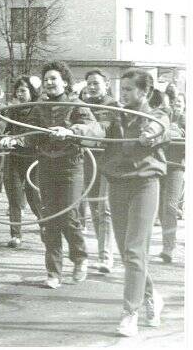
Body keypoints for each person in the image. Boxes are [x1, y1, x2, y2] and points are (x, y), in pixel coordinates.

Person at [5, 61, 104, 289]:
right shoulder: (39, 107)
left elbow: (95, 131)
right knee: (49, 220)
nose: (49, 83)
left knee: (68, 217)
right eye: (46, 79)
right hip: (46, 166)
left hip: (70, 167)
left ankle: (79, 258)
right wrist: (15, 140)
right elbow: (30, 134)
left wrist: (71, 131)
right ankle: (54, 271)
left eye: (54, 79)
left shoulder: (76, 105)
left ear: (65, 82)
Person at [101, 70, 168, 336]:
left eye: (129, 89)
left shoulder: (157, 116)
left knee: (134, 250)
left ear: (145, 92)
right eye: (122, 88)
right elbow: (94, 128)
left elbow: (160, 129)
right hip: (118, 185)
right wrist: (69, 132)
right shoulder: (116, 115)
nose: (123, 94)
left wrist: (150, 134)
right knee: (128, 252)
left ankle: (130, 312)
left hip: (144, 185)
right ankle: (152, 296)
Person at [0, 76, 43, 248]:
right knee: (13, 196)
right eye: (18, 91)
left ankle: (44, 225)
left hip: (32, 158)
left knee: (33, 196)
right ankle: (16, 235)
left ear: (32, 92)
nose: (20, 94)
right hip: (14, 157)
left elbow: (34, 133)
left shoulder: (39, 110)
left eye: (24, 91)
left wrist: (17, 140)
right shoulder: (12, 110)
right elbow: (2, 126)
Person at [80, 69, 118, 273]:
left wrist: (83, 131)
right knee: (94, 208)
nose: (92, 87)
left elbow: (104, 127)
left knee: (104, 209)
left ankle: (106, 257)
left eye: (96, 83)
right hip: (88, 160)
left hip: (107, 162)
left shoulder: (113, 106)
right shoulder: (83, 105)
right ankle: (102, 252)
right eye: (89, 83)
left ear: (106, 84)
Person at [158, 91, 185, 263]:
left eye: (180, 102)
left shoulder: (186, 119)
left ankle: (169, 247)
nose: (177, 104)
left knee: (170, 206)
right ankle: (167, 243)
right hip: (160, 164)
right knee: (161, 208)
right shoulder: (163, 117)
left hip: (176, 167)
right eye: (174, 101)